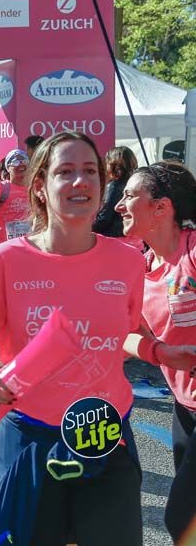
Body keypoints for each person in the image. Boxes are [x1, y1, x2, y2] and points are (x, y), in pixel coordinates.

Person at [0, 132, 146, 546]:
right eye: (65, 172)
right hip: (30, 438)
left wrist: (160, 349)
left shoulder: (129, 262)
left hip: (105, 435)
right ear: (40, 187)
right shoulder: (5, 260)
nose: (80, 181)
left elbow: (131, 335)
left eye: (89, 171)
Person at [116, 161, 196, 543]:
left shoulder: (193, 253)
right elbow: (125, 336)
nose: (118, 204)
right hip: (184, 407)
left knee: (180, 519)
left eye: (130, 195)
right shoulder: (139, 266)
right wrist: (159, 352)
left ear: (161, 208)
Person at [93, 146, 137, 238]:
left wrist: (83, 229)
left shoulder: (114, 186)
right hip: (132, 238)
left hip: (114, 239)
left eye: (107, 162)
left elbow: (104, 219)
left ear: (114, 164)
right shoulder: (135, 183)